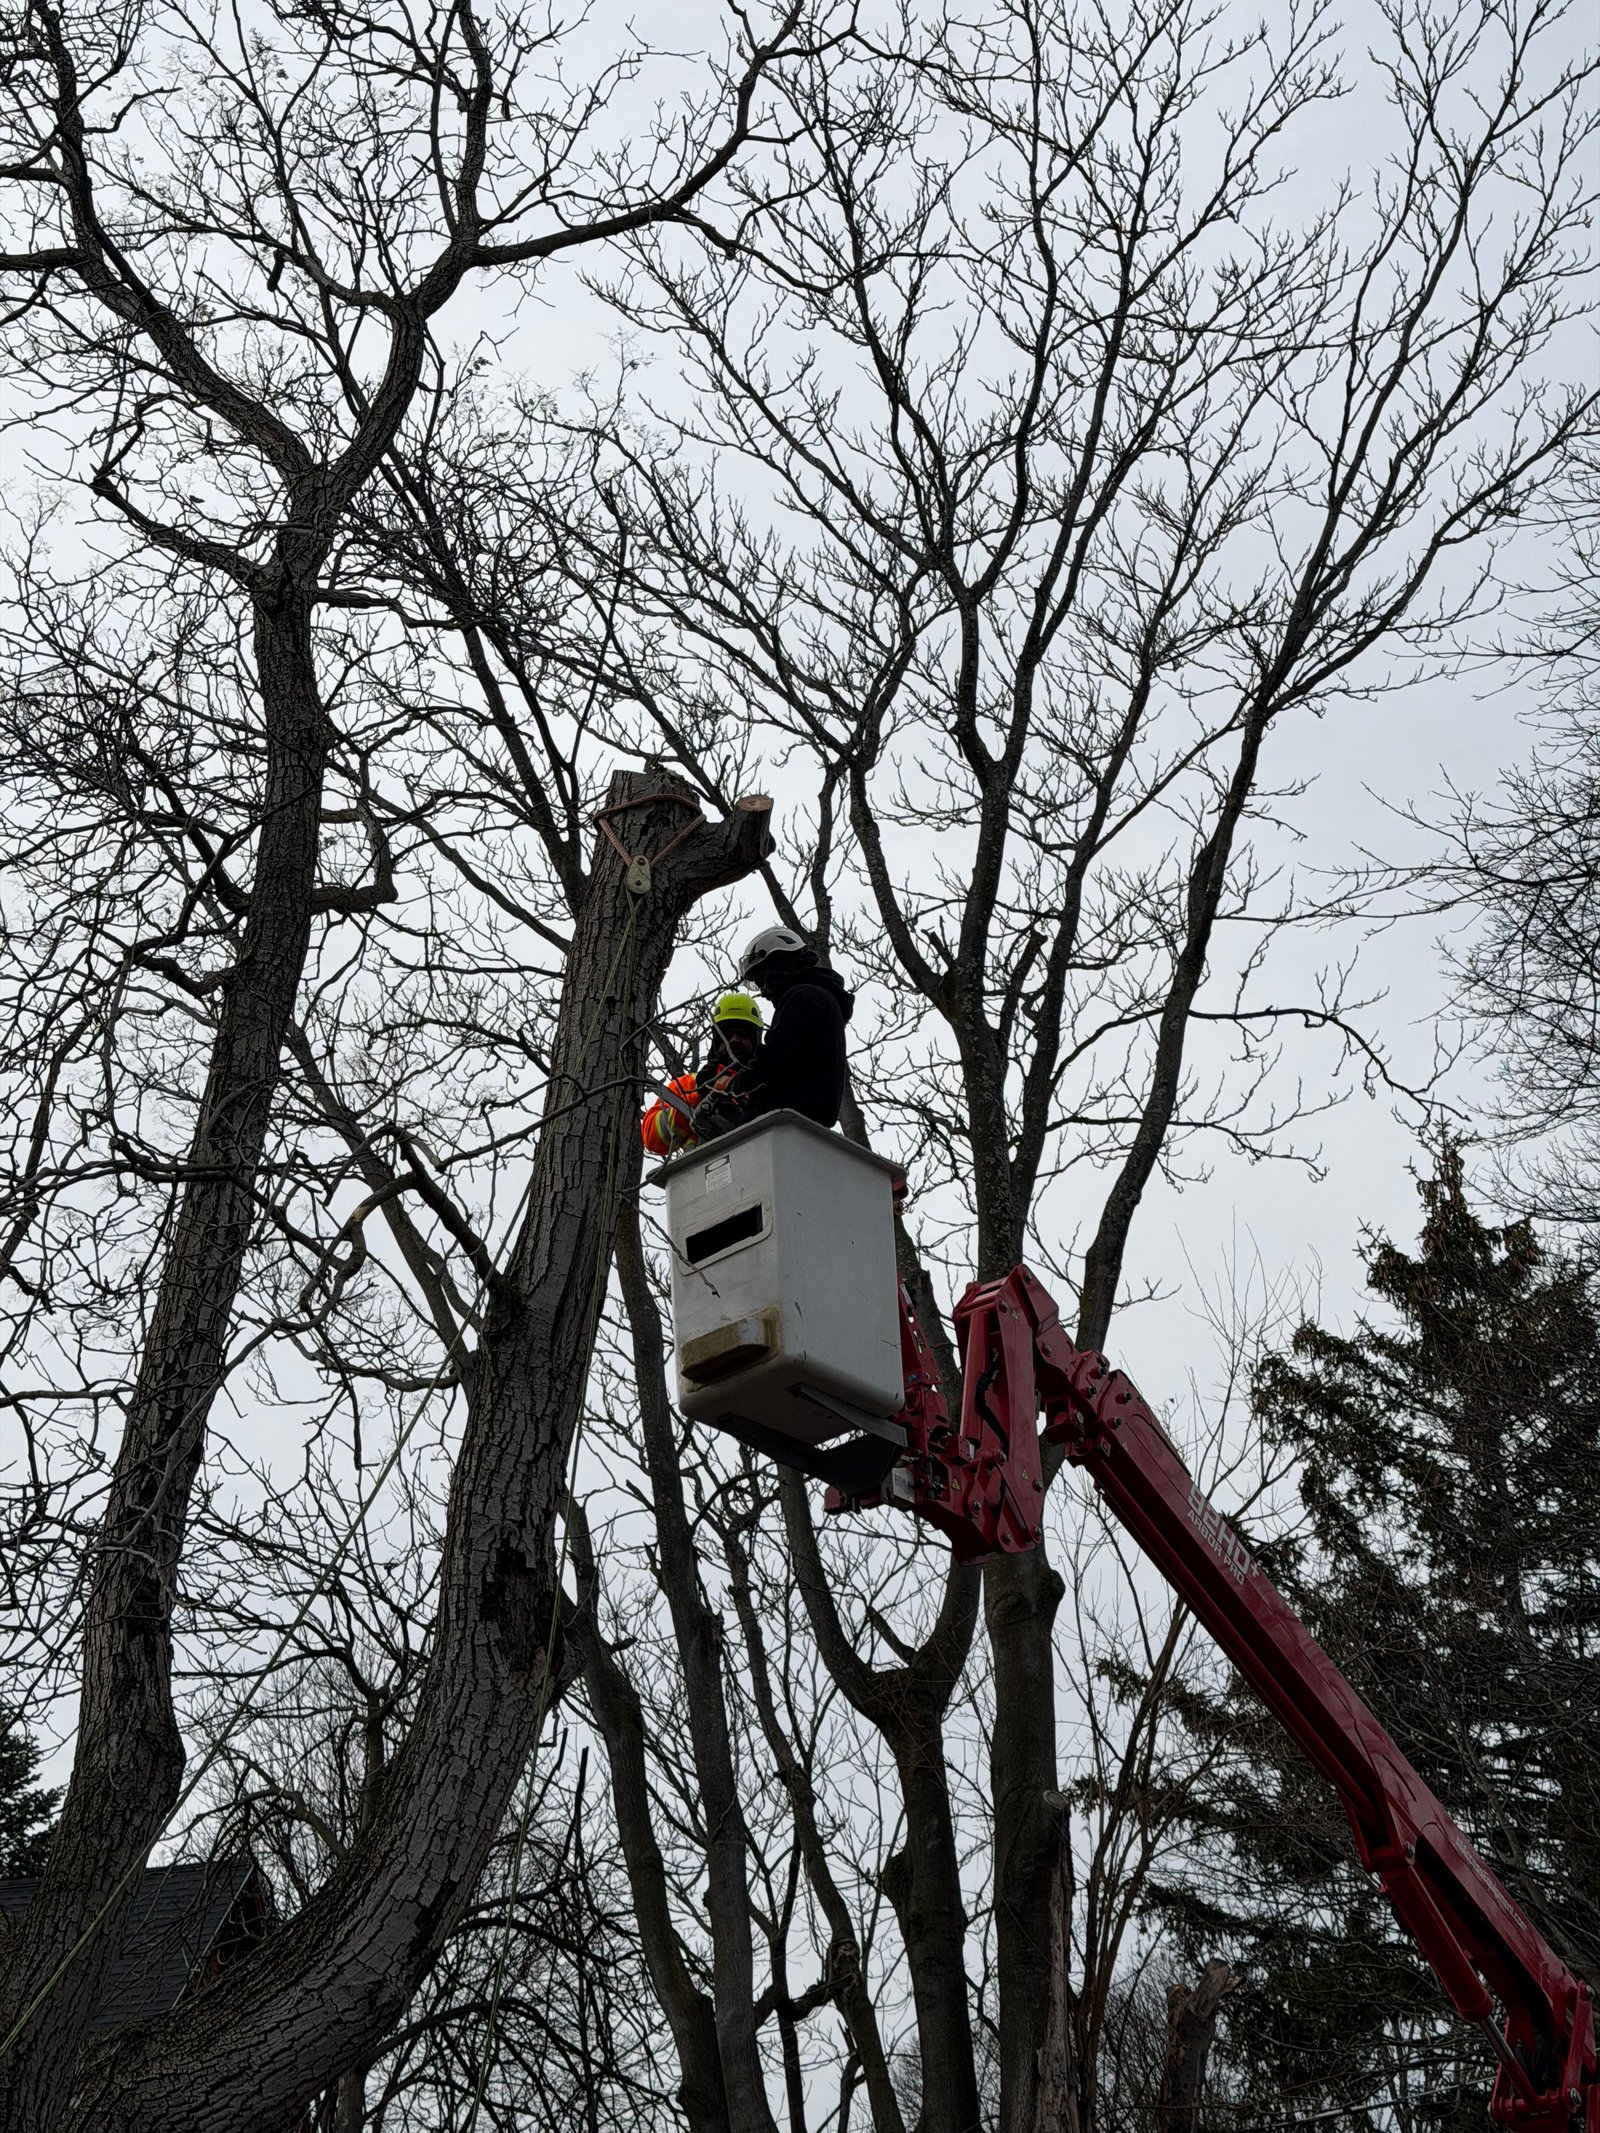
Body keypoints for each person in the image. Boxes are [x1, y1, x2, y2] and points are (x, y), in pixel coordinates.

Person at [697, 925, 853, 1134]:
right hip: (805, 1120)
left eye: (762, 981)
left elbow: (776, 1056)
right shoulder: (821, 999)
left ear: (778, 965)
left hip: (786, 1118)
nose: (763, 992)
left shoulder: (803, 997)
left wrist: (735, 1084)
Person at [639, 991, 764, 1156]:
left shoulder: (769, 1085)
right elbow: (652, 1139)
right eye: (726, 1035)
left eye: (743, 1034)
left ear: (755, 1040)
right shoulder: (688, 1085)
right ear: (716, 1041)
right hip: (704, 1175)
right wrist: (700, 1096)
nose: (734, 1039)